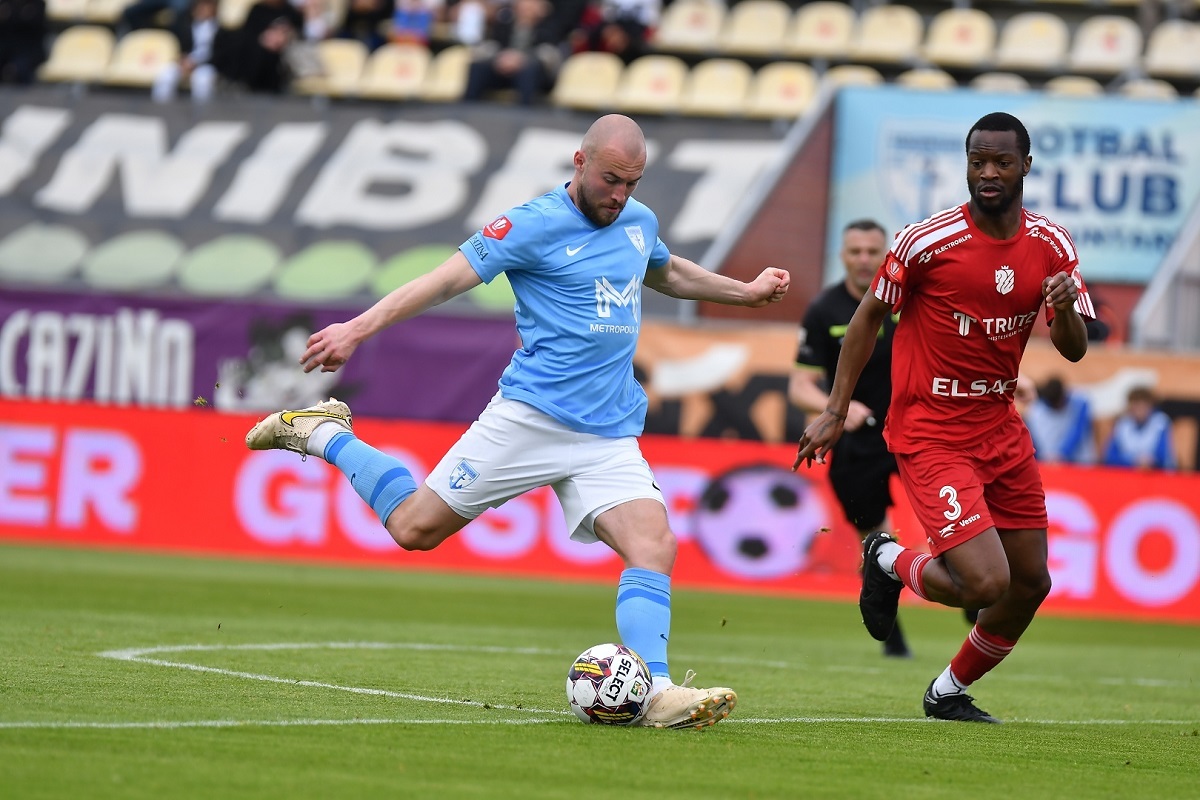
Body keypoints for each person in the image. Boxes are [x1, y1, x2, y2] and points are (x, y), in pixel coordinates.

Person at [245, 114, 790, 730]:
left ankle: (658, 690)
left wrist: (744, 293)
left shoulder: (637, 222)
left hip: (607, 433)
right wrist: (356, 329)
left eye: (631, 184)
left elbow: (665, 271)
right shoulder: (527, 225)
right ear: (579, 162)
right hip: (530, 419)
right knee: (413, 528)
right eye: (611, 179)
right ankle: (323, 434)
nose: (619, 196)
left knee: (653, 545)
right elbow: (442, 282)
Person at [794, 112, 1094, 723]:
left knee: (1031, 583)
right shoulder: (925, 242)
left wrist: (1063, 309)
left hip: (1001, 429)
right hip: (931, 432)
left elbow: (1073, 347)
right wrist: (832, 408)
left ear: (1025, 167)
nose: (988, 173)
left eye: (1001, 162)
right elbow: (866, 321)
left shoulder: (1053, 246)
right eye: (977, 160)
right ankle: (885, 558)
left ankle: (948, 692)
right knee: (984, 585)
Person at [789, 219, 915, 658]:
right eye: (855, 251)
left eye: (872, 251)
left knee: (951, 517)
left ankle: (973, 590)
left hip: (918, 430)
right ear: (842, 255)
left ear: (886, 255)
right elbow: (799, 386)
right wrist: (838, 406)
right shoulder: (824, 310)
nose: (863, 259)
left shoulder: (912, 298)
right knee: (876, 539)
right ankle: (893, 639)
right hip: (858, 441)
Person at [462, 0, 562, 106]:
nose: (527, 7)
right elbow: (492, 44)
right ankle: (467, 108)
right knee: (477, 67)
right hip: (503, 66)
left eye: (532, 4)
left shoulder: (550, 26)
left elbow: (549, 54)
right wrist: (501, 57)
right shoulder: (505, 23)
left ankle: (525, 113)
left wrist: (521, 59)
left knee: (529, 70)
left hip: (534, 71)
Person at [152, 0, 220, 104]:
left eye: (206, 7)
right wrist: (182, 60)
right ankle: (161, 109)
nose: (202, 10)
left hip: (207, 65)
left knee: (202, 80)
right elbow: (177, 47)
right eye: (200, 7)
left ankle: (201, 114)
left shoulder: (220, 31)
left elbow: (220, 55)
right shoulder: (185, 27)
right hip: (185, 63)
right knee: (166, 75)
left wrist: (197, 63)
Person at [1023, 375, 1096, 464]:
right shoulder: (1035, 409)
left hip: (1078, 462)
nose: (1057, 408)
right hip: (1047, 462)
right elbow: (1032, 438)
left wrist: (1061, 455)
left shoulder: (1080, 403)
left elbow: (1076, 432)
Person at [1103, 386, 1176, 470]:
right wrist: (1133, 462)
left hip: (1155, 474)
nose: (1140, 410)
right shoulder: (1122, 424)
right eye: (1136, 406)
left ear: (1151, 406)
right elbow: (1110, 457)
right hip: (1128, 474)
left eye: (1144, 406)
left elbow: (1164, 457)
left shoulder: (1161, 423)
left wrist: (1151, 462)